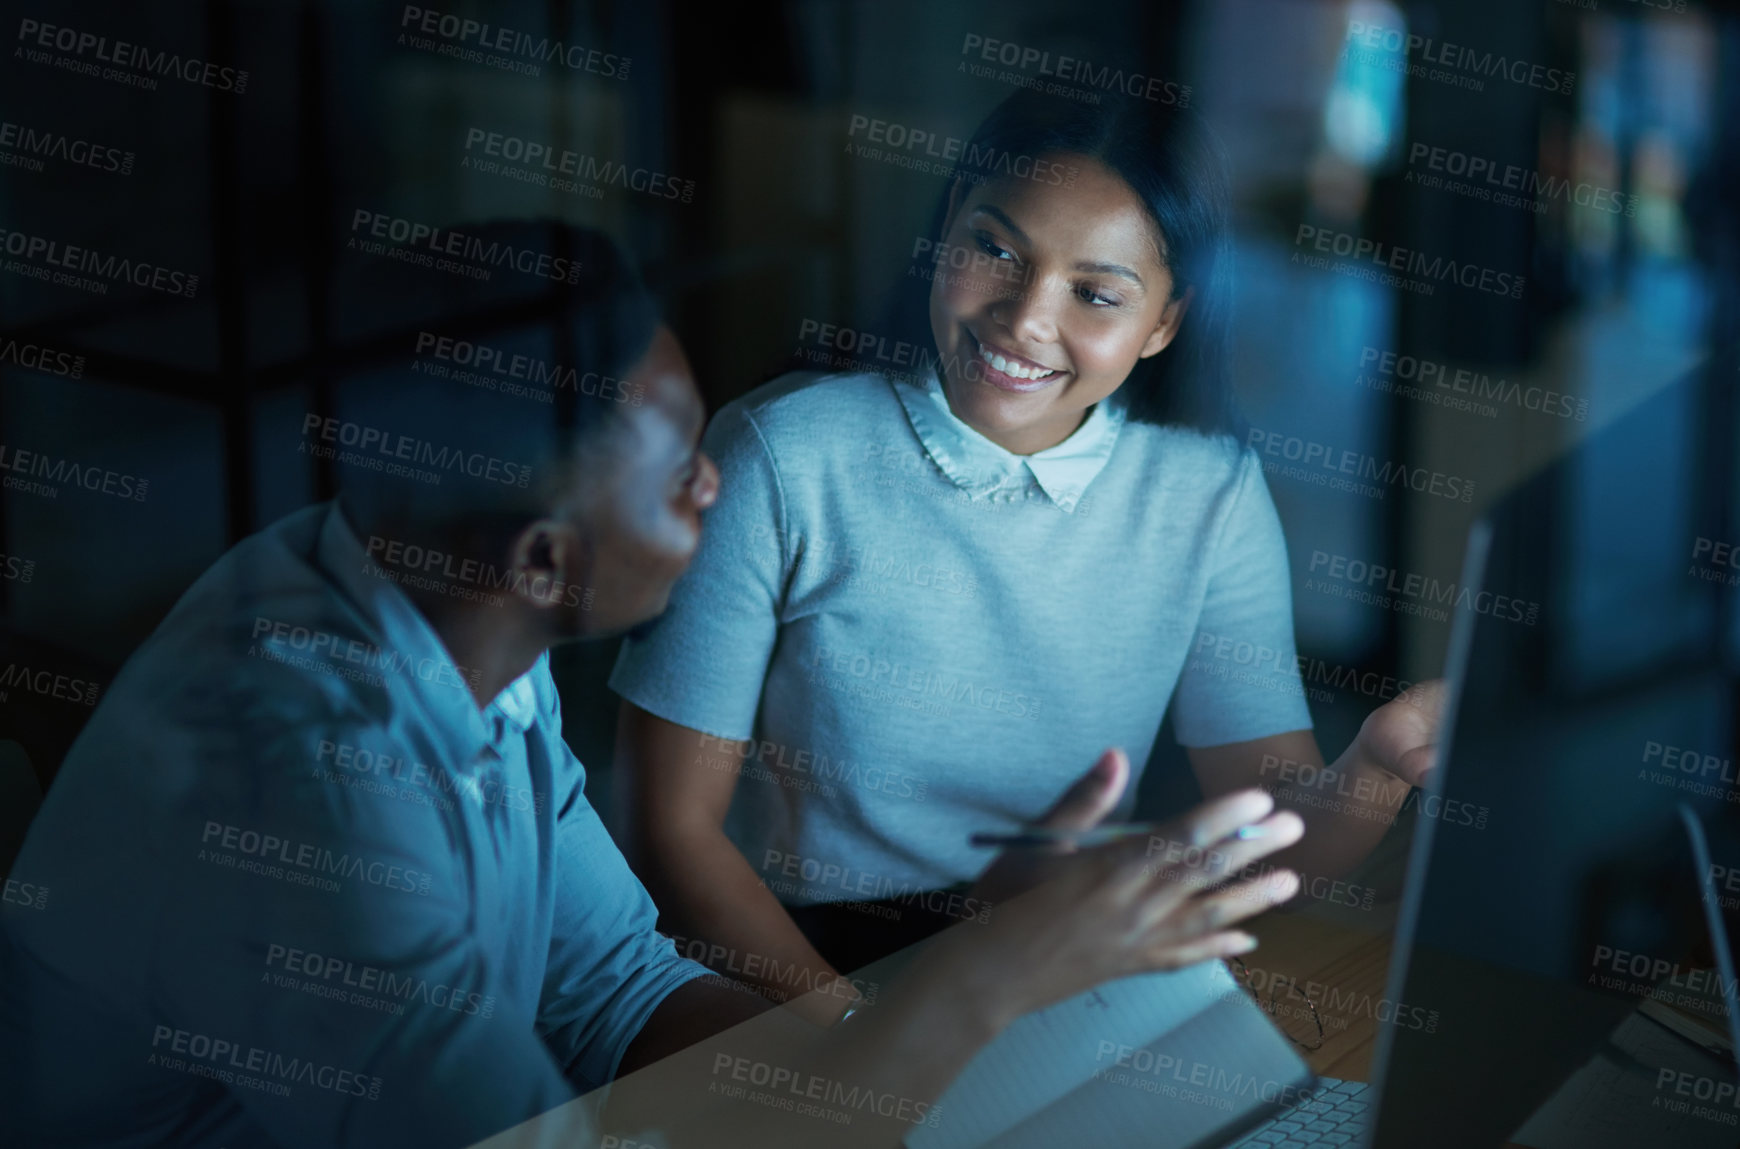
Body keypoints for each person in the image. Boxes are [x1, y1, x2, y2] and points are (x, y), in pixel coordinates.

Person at [0, 221, 1307, 1149]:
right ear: (543, 561)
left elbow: (612, 987)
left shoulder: (453, 626)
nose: (712, 484)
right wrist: (993, 981)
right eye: (679, 461)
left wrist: (924, 1012)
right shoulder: (306, 791)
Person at [610, 88, 1444, 1019]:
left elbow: (1268, 843)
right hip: (806, 959)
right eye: (996, 250)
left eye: (1095, 294)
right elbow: (667, 828)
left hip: (1058, 956)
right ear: (948, 228)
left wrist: (1373, 767)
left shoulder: (1208, 491)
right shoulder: (782, 452)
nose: (1024, 319)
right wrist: (863, 1046)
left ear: (1164, 322)